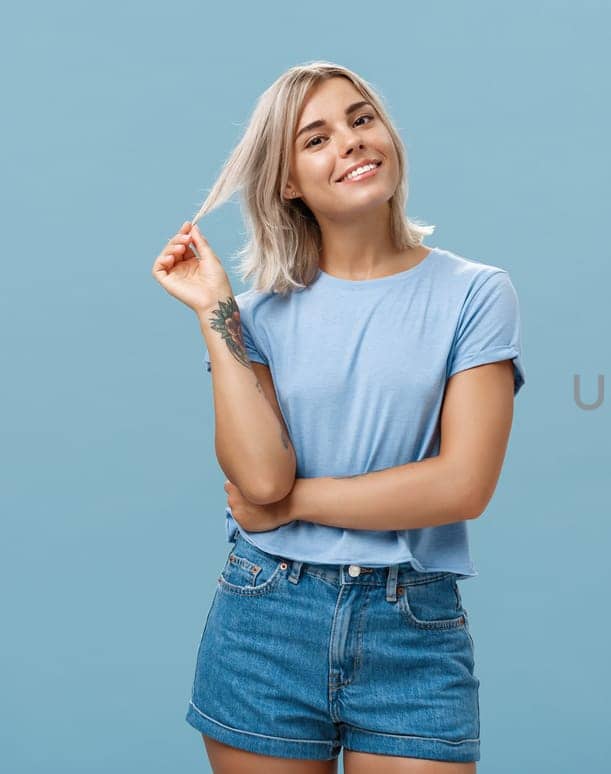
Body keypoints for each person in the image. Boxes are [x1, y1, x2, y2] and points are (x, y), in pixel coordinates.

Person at [150, 61, 522, 773]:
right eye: (316, 138)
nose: (351, 142)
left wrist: (292, 506)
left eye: (360, 119)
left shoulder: (475, 294)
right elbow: (260, 476)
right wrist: (215, 312)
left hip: (410, 624)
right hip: (265, 618)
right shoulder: (254, 317)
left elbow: (463, 485)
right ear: (288, 182)